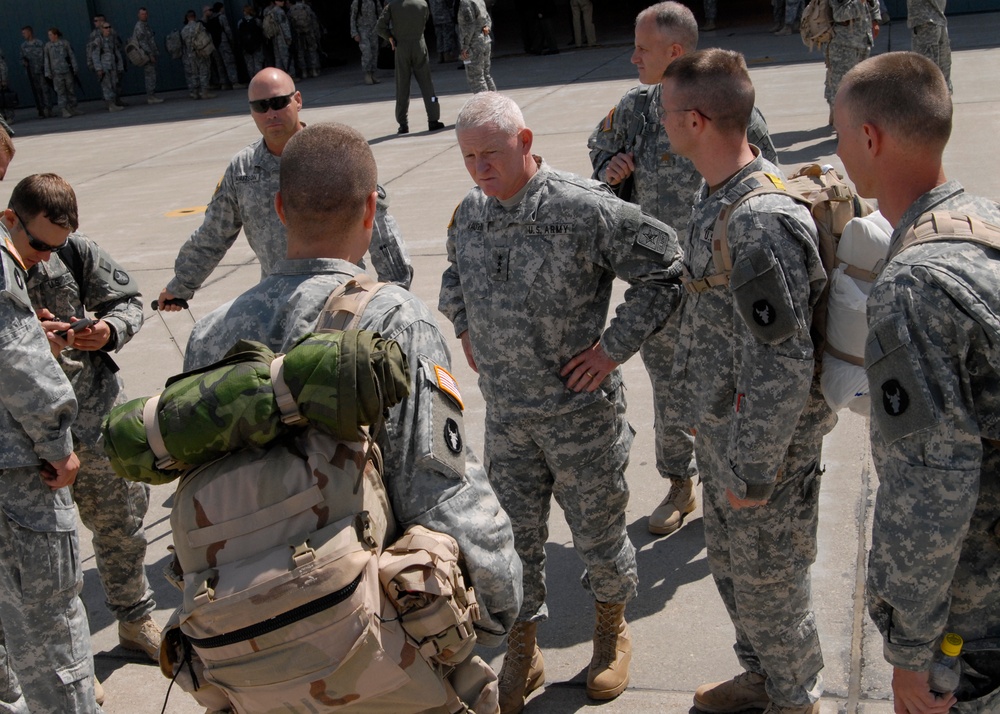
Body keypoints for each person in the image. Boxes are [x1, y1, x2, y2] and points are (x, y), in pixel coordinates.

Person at [182, 122, 522, 711]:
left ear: (281, 208)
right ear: (371, 209)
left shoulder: (211, 335)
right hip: (371, 656)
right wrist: (497, 606)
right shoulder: (396, 321)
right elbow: (442, 496)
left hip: (254, 661)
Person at [439, 91, 683, 712]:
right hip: (508, 419)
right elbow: (453, 273)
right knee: (513, 543)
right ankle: (525, 645)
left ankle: (611, 631)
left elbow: (667, 268)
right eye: (468, 157)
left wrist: (612, 350)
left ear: (525, 143)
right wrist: (464, 323)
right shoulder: (472, 212)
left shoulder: (584, 209)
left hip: (580, 418)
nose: (479, 169)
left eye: (490, 154)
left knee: (599, 534)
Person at [658, 49, 834, 714]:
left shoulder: (760, 219)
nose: (663, 125)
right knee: (735, 572)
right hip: (724, 433)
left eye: (668, 114)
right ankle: (761, 677)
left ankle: (796, 700)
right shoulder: (716, 198)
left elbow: (782, 361)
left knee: (772, 585)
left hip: (764, 451)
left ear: (696, 119)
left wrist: (755, 469)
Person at [833, 51, 1000, 714]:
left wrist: (910, 655)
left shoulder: (912, 287)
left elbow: (931, 489)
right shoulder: (983, 220)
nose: (841, 151)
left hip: (975, 624)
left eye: (841, 134)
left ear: (870, 138)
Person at [588, 1, 778, 538]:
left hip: (719, 285)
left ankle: (739, 482)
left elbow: (768, 182)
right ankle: (679, 484)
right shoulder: (635, 107)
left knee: (733, 385)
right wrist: (611, 169)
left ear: (675, 52)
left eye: (642, 48)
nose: (632, 57)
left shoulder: (726, 104)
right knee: (670, 386)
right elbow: (599, 149)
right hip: (662, 282)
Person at [21, 231, 163, 674]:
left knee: (122, 525)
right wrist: (29, 334)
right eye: (40, 243)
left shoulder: (73, 249)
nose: (47, 253)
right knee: (46, 555)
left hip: (95, 414)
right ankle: (71, 659)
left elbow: (129, 302)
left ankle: (135, 620)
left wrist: (107, 330)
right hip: (29, 429)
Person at [157, 68, 412, 311]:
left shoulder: (334, 154)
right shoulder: (244, 169)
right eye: (261, 106)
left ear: (297, 100)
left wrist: (393, 294)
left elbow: (378, 227)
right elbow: (214, 234)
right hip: (276, 305)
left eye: (279, 103)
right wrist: (181, 286)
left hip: (339, 302)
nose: (271, 113)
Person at [0, 173, 100, 713]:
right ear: (9, 217)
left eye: (55, 249)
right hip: (20, 479)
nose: (43, 258)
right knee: (53, 629)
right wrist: (58, 444)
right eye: (37, 244)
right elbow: (17, 365)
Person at [376, 0, 445, 134]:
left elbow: (379, 27)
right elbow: (425, 20)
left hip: (401, 47)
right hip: (419, 45)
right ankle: (433, 119)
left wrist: (389, 37)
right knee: (428, 86)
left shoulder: (392, 5)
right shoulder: (423, 4)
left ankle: (403, 123)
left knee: (402, 87)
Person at [823, 0, 879, 125]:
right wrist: (860, 2)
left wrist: (875, 19)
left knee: (861, 84)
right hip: (843, 45)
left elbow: (874, 3)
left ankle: (856, 119)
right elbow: (839, 15)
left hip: (863, 41)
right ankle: (841, 123)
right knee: (841, 85)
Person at [907, 0, 952, 92]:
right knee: (927, 71)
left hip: (938, 19)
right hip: (926, 20)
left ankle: (943, 100)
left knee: (942, 67)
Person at [457, 0, 495, 93]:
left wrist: (464, 47)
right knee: (486, 75)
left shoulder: (466, 3)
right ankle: (494, 102)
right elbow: (487, 19)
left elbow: (468, 27)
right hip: (485, 40)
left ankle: (484, 105)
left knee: (476, 79)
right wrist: (487, 29)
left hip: (474, 44)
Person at [44, 28, 82, 118]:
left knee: (70, 89)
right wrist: (47, 72)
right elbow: (46, 59)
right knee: (60, 91)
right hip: (56, 73)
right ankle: (64, 109)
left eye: (50, 34)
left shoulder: (65, 43)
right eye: (48, 35)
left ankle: (73, 107)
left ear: (55, 35)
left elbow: (71, 55)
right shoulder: (48, 46)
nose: (49, 37)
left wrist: (75, 67)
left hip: (67, 70)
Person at [204, 3, 242, 90]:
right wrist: (232, 41)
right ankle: (234, 82)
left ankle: (224, 83)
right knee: (229, 62)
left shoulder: (210, 19)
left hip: (214, 44)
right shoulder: (221, 17)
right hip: (223, 42)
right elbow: (227, 30)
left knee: (219, 64)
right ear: (221, 8)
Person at [180, 10, 215, 100]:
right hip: (201, 53)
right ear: (194, 17)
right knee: (203, 72)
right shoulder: (199, 26)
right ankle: (204, 92)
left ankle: (195, 93)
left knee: (193, 74)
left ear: (187, 18)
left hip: (190, 56)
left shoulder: (184, 30)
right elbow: (206, 38)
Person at [20, 27, 54, 119]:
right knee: (37, 91)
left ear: (30, 32)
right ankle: (41, 109)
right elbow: (22, 58)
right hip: (31, 73)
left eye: (24, 33)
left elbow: (46, 56)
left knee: (45, 90)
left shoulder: (39, 43)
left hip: (41, 70)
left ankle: (48, 109)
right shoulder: (23, 46)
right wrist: (24, 63)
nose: (23, 35)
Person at [91, 22, 125, 113]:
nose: (108, 29)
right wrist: (98, 68)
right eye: (106, 27)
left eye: (109, 27)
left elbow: (116, 52)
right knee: (107, 86)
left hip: (112, 66)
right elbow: (95, 55)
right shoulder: (98, 41)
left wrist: (120, 65)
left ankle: (113, 103)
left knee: (114, 84)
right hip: (104, 67)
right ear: (102, 29)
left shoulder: (111, 39)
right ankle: (110, 105)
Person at [132, 8, 164, 104]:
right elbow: (143, 43)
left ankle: (152, 95)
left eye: (145, 14)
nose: (144, 16)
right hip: (146, 56)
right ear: (138, 15)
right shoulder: (140, 27)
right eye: (142, 14)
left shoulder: (146, 26)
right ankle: (151, 97)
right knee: (150, 76)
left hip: (149, 54)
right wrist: (150, 54)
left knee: (152, 75)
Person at [351, 0, 385, 85]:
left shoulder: (374, 1)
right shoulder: (357, 2)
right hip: (363, 30)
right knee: (367, 52)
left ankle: (373, 74)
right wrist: (354, 33)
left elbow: (381, 15)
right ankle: (367, 73)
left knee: (374, 52)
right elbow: (353, 18)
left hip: (374, 30)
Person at [287, 0, 322, 78]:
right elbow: (314, 21)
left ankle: (304, 72)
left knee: (300, 52)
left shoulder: (291, 10)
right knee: (312, 51)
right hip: (309, 33)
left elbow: (289, 24)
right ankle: (314, 70)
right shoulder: (307, 8)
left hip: (298, 34)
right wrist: (317, 34)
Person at [264, 0, 294, 75]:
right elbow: (285, 26)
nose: (283, 2)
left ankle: (280, 75)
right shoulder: (280, 12)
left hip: (275, 37)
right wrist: (288, 38)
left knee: (278, 58)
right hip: (282, 37)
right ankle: (291, 74)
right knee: (286, 56)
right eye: (280, 0)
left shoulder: (270, 11)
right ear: (276, 2)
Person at [238, 5, 266, 79]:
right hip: (257, 46)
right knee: (258, 64)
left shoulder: (240, 22)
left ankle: (252, 80)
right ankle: (259, 80)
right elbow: (262, 31)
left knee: (249, 65)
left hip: (246, 47)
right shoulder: (257, 21)